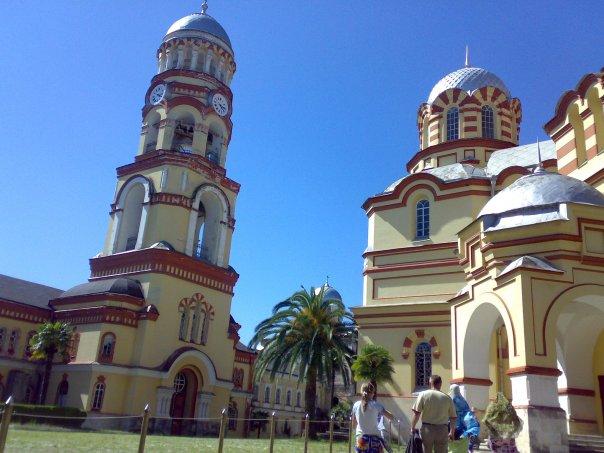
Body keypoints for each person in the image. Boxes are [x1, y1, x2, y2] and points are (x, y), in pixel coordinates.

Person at [410, 375, 457, 453]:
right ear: (440, 384)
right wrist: (451, 432)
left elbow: (417, 413)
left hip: (427, 429)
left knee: (426, 450)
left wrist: (412, 427)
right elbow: (453, 417)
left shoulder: (423, 394)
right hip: (442, 429)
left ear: (430, 383)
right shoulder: (447, 398)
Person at [352, 382, 394, 453]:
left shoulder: (356, 405)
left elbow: (353, 424)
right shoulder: (376, 405)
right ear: (372, 393)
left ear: (362, 392)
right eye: (373, 392)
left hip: (361, 440)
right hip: (375, 439)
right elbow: (391, 417)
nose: (374, 394)